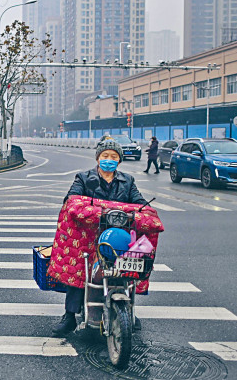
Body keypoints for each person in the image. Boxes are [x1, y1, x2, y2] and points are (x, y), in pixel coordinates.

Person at [52, 139, 147, 337]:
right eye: (105, 156)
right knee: (80, 268)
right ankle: (69, 315)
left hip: (118, 236)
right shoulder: (84, 178)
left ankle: (129, 309)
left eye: (113, 157)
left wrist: (142, 212)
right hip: (89, 236)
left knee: (129, 265)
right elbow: (72, 200)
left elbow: (140, 204)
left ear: (119, 161)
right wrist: (93, 211)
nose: (109, 160)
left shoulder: (127, 181)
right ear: (98, 158)